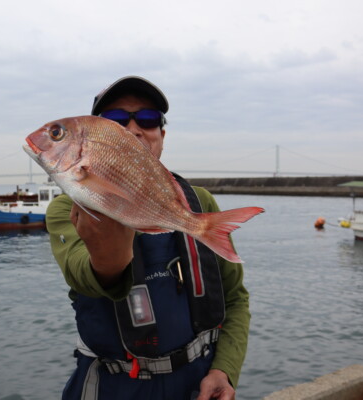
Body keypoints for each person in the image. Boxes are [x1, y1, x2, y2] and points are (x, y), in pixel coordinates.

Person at [46, 76, 250, 400]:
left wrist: (223, 369)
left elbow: (235, 299)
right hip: (113, 386)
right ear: (97, 138)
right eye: (115, 120)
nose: (133, 128)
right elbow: (84, 277)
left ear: (162, 136)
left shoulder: (199, 203)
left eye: (148, 119)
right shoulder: (68, 207)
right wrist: (107, 248)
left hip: (198, 381)